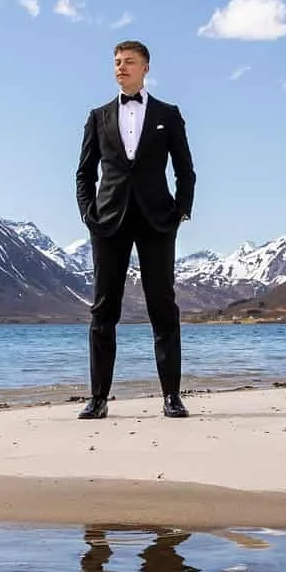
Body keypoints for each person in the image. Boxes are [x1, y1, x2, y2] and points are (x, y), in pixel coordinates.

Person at [74, 39, 195, 419]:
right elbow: (84, 172)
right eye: (116, 62)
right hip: (108, 222)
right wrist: (87, 214)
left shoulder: (168, 114)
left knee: (163, 307)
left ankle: (171, 397)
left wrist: (181, 212)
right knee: (103, 311)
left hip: (157, 221)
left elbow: (185, 169)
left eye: (128, 62)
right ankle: (98, 399)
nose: (120, 68)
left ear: (145, 68)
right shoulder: (97, 116)